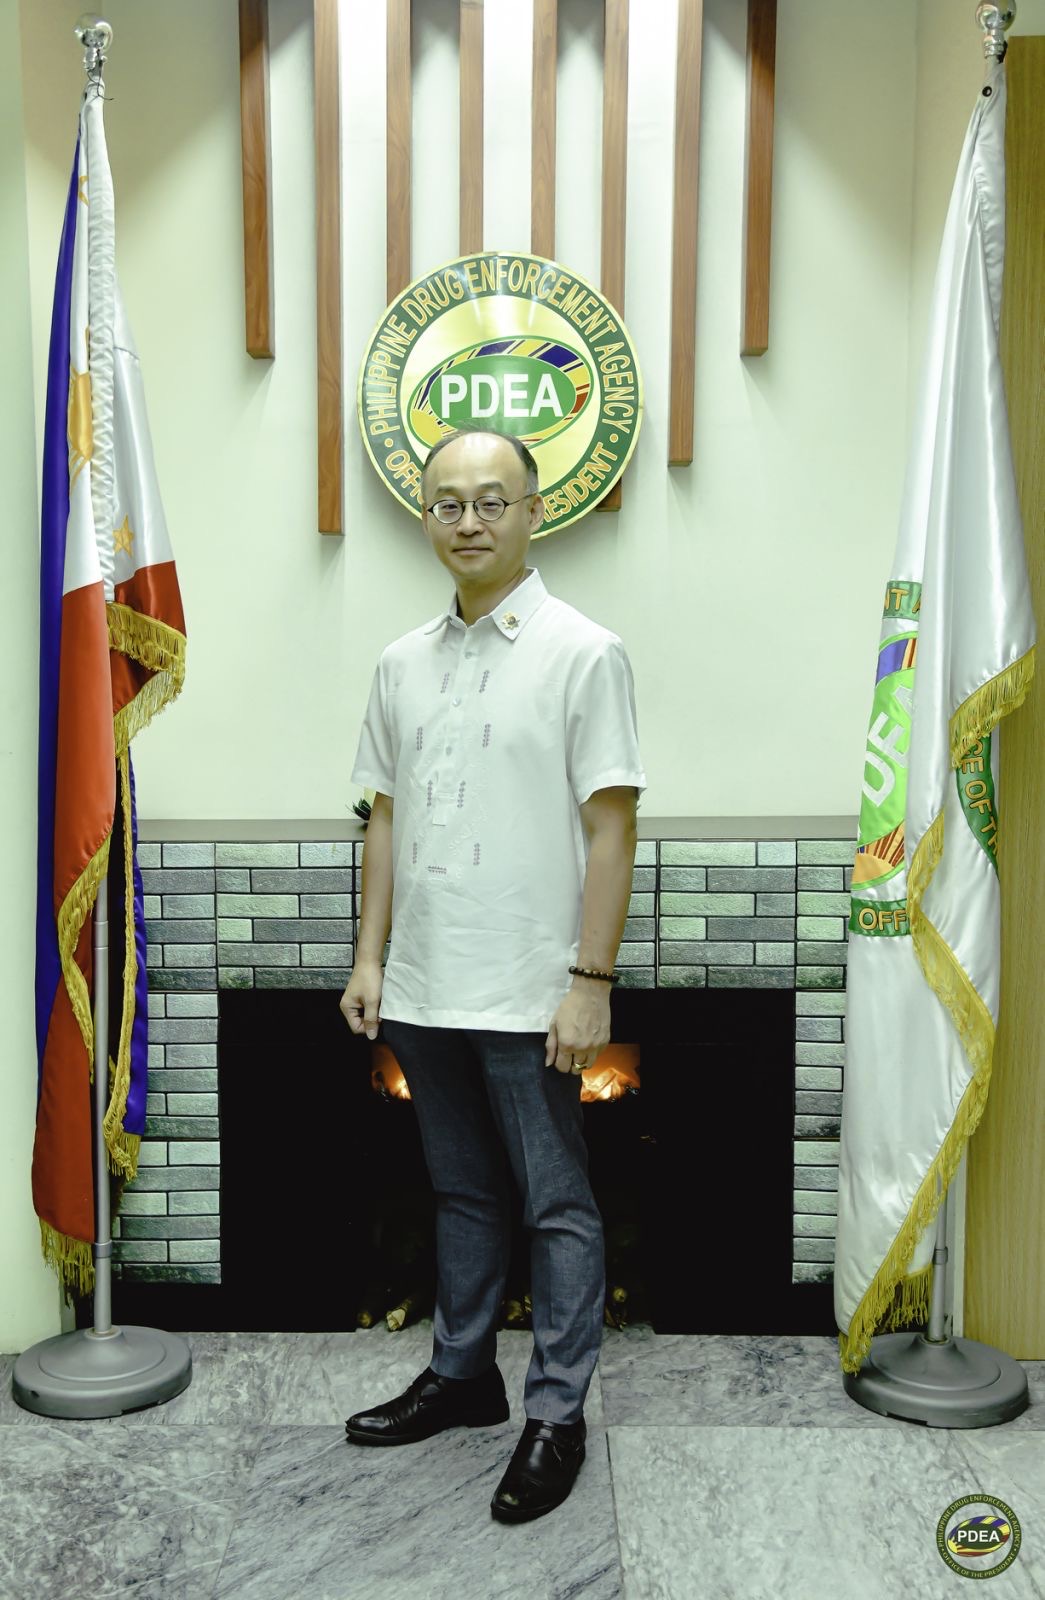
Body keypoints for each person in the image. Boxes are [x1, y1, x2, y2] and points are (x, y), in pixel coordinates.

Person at [340, 425, 645, 1523]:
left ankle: (555, 1413)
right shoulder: (399, 662)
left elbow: (611, 829)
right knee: (461, 1191)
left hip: (531, 988)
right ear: (425, 514)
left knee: (557, 1204)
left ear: (533, 512)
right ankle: (462, 1376)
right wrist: (370, 957)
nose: (467, 520)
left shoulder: (584, 652)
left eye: (490, 501)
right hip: (425, 983)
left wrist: (589, 980)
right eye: (447, 502)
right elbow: (383, 818)